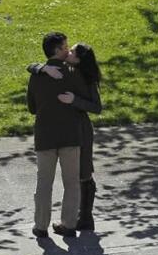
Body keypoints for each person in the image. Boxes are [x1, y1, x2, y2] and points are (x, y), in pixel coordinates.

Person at [30, 42, 103, 230]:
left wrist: (74, 100)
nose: (67, 51)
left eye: (71, 51)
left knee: (83, 173)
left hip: (81, 129)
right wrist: (41, 67)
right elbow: (32, 66)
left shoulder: (84, 77)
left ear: (78, 59)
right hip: (70, 129)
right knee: (75, 177)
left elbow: (96, 107)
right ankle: (77, 219)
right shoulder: (67, 71)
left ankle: (85, 216)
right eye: (66, 49)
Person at [26, 32, 82, 238]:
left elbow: (31, 107)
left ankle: (41, 226)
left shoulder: (37, 76)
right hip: (70, 134)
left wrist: (39, 68)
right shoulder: (72, 72)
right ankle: (68, 224)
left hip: (45, 135)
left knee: (44, 183)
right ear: (58, 50)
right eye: (65, 46)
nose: (68, 49)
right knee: (71, 182)